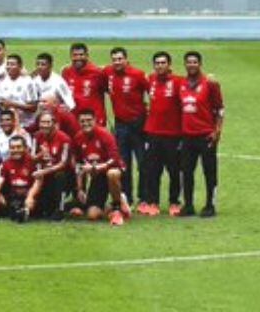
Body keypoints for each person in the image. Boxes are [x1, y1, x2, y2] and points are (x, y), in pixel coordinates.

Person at [179, 51, 224, 217]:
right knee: (186, 171)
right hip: (187, 136)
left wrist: (217, 131)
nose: (191, 65)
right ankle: (188, 205)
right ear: (185, 64)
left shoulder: (210, 84)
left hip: (206, 135)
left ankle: (210, 205)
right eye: (189, 62)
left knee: (209, 171)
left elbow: (220, 109)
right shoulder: (181, 84)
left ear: (200, 64)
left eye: (194, 62)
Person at [104, 46, 149, 211]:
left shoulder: (138, 74)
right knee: (124, 163)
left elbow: (152, 91)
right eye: (114, 59)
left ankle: (144, 198)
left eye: (120, 59)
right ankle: (127, 197)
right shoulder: (108, 73)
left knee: (143, 162)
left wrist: (149, 112)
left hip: (139, 125)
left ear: (126, 59)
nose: (117, 62)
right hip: (120, 125)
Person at [72, 108, 129, 226]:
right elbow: (78, 164)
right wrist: (80, 189)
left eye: (89, 120)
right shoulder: (78, 138)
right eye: (82, 121)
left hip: (114, 171)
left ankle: (117, 207)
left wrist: (97, 167)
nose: (86, 123)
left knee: (112, 174)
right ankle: (110, 207)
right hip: (98, 177)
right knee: (92, 215)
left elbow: (114, 159)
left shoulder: (105, 135)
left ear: (95, 120)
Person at [143, 51, 184, 216]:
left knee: (174, 170)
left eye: (163, 63)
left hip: (173, 134)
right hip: (152, 133)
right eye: (157, 63)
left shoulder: (179, 82)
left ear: (169, 65)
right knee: (153, 170)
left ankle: (174, 202)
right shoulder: (150, 79)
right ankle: (153, 202)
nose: (160, 66)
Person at [0, 135, 40, 222]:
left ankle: (24, 212)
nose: (15, 150)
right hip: (12, 197)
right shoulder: (5, 164)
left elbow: (38, 183)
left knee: (32, 200)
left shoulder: (33, 162)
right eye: (12, 148)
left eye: (18, 147)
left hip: (28, 196)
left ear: (25, 148)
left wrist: (30, 196)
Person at [31, 111, 73, 220]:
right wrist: (41, 154)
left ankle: (60, 209)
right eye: (42, 122)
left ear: (54, 123)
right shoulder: (36, 136)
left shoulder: (64, 139)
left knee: (60, 175)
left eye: (47, 122)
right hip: (44, 176)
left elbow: (63, 164)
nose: (44, 125)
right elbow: (32, 158)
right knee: (41, 211)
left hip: (63, 177)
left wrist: (44, 171)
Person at [62, 43, 108, 126]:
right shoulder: (66, 72)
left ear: (87, 56)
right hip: (73, 120)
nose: (78, 58)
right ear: (71, 56)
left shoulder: (98, 72)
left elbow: (111, 91)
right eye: (75, 55)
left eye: (81, 55)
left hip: (93, 121)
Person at [0, 54, 39, 130]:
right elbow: (0, 103)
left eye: (12, 64)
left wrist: (13, 104)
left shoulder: (28, 82)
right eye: (8, 64)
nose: (9, 67)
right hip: (9, 126)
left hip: (26, 126)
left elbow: (33, 108)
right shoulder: (2, 82)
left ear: (20, 66)